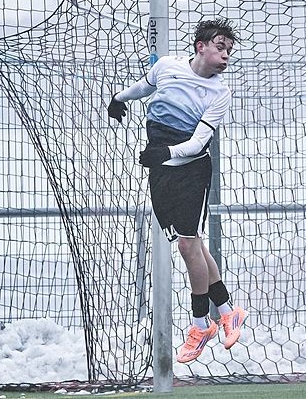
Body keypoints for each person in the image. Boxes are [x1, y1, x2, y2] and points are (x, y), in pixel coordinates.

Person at [106, 18, 247, 364]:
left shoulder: (220, 93)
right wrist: (119, 98)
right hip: (161, 170)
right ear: (201, 46)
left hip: (191, 171)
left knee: (187, 246)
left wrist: (165, 152)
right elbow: (145, 85)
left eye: (229, 51)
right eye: (220, 47)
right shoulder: (168, 66)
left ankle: (200, 325)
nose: (225, 55)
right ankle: (227, 310)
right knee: (193, 245)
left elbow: (199, 142)